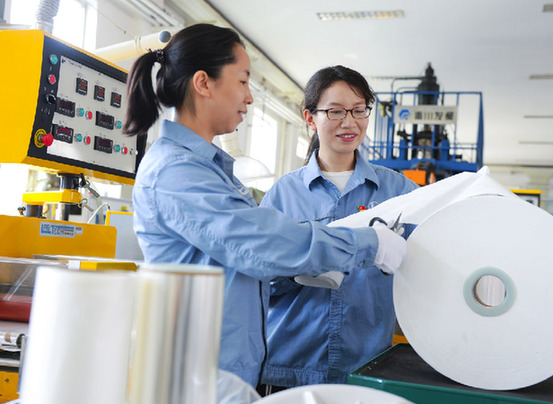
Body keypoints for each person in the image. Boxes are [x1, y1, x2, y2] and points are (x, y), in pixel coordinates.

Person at [123, 24, 408, 388]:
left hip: (223, 372)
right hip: (198, 376)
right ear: (204, 83)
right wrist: (369, 244)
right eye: (243, 81)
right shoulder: (176, 172)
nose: (250, 97)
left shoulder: (209, 171)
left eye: (358, 110)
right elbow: (262, 242)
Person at [258, 65, 419, 390]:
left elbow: (425, 266)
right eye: (335, 111)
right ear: (310, 118)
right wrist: (299, 266)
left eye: (359, 110)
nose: (349, 122)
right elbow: (258, 281)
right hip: (290, 368)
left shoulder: (399, 192)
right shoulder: (284, 193)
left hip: (366, 367)